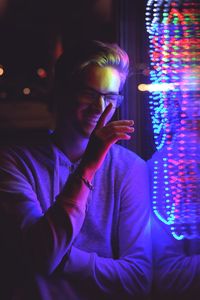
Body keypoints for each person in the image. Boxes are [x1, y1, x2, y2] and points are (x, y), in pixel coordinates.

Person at [0, 40, 152, 300]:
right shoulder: (14, 162)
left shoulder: (130, 168)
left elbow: (138, 278)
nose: (100, 107)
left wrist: (59, 256)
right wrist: (89, 165)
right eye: (89, 94)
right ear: (62, 92)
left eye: (110, 98)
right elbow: (43, 255)